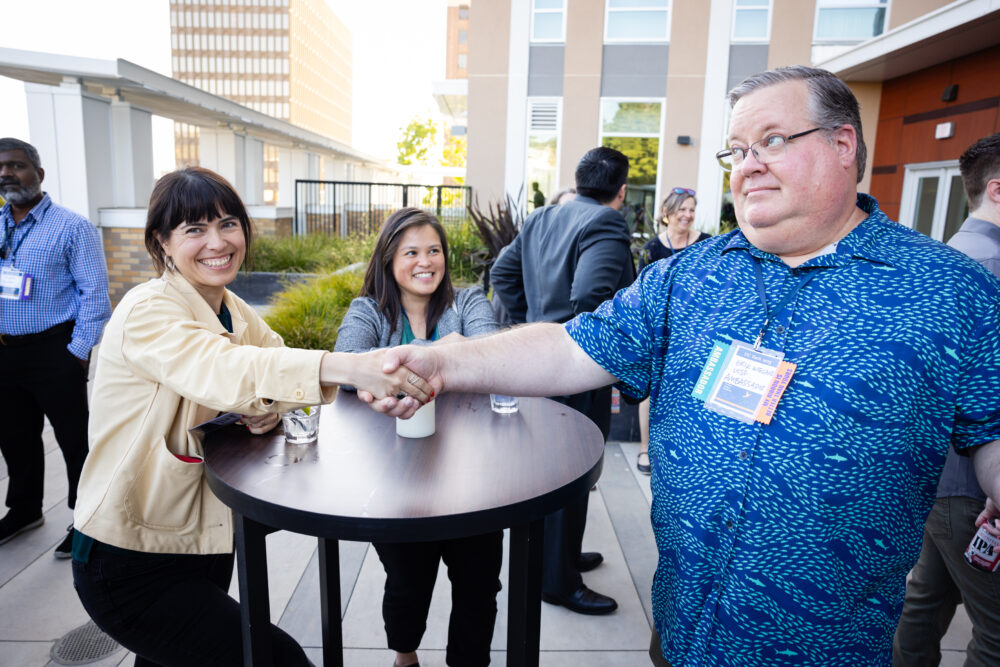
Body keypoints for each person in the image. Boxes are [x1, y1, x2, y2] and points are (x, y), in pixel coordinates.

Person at [371, 66, 1000, 666]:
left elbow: (992, 432)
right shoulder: (686, 276)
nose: (748, 163)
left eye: (773, 141)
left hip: (824, 646)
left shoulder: (951, 291)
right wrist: (442, 362)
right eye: (737, 150)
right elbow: (568, 347)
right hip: (684, 630)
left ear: (843, 145)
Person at [70, 168, 431, 667]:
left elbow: (274, 365)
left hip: (200, 540)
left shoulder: (230, 306)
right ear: (162, 242)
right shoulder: (147, 310)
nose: (217, 242)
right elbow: (227, 369)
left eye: (228, 223)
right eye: (194, 230)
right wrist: (352, 368)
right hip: (131, 556)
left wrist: (263, 406)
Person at [335, 207, 502, 667]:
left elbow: (487, 354)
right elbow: (347, 363)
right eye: (411, 252)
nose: (425, 261)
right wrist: (449, 353)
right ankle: (404, 656)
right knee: (408, 579)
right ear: (389, 260)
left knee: (479, 580)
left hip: (470, 474)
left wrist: (390, 363)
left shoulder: (467, 302)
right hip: (397, 473)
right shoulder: (367, 309)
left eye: (433, 250)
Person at [489, 146, 636, 616]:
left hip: (538, 369)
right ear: (622, 190)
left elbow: (502, 273)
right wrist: (563, 340)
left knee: (557, 474)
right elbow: (590, 295)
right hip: (573, 371)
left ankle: (563, 557)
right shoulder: (607, 222)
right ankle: (558, 582)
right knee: (570, 473)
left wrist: (531, 325)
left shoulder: (540, 218)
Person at [893, 132, 1000, 666]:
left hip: (939, 480)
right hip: (973, 486)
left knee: (923, 604)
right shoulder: (987, 271)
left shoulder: (944, 260)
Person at [0, 138, 111, 557]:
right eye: (1, 168)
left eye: (16, 166)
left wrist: (78, 352)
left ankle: (85, 520)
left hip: (54, 350)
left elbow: (95, 295)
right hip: (3, 353)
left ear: (38, 174)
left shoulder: (72, 226)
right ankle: (25, 509)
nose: (7, 174)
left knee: (74, 440)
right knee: (14, 437)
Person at [635, 188, 710, 475]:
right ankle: (645, 448)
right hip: (660, 329)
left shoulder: (706, 244)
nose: (688, 215)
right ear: (667, 213)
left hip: (696, 331)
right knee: (651, 390)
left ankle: (686, 447)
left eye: (691, 209)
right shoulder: (651, 250)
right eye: (682, 209)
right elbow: (640, 293)